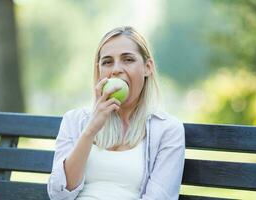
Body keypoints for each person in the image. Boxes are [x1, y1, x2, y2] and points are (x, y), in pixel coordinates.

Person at [47, 26, 185, 200]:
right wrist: (90, 131)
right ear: (99, 71)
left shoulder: (168, 130)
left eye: (127, 59)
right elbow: (58, 195)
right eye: (107, 62)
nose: (116, 69)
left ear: (147, 67)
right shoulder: (75, 120)